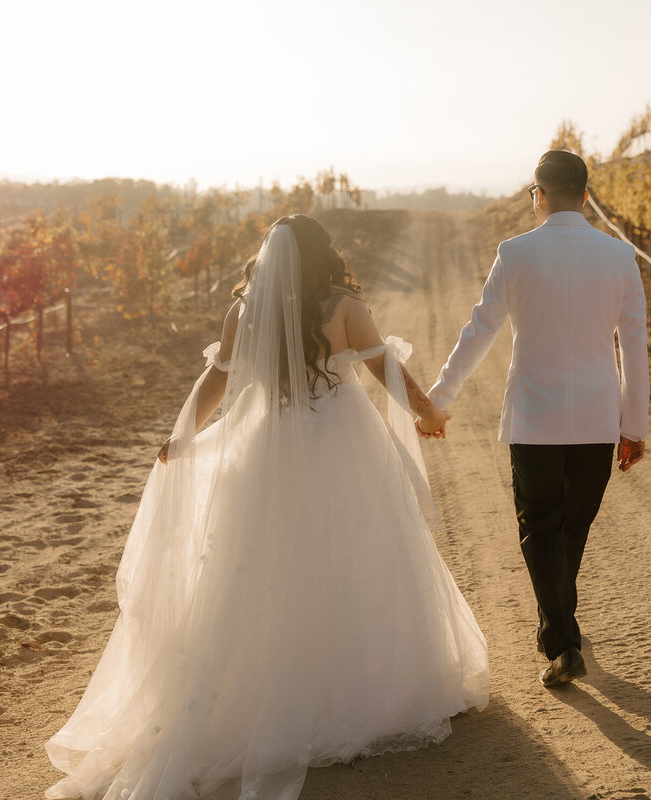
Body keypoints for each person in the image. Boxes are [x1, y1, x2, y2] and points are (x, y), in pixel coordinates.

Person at [44, 215, 489, 800]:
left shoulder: (244, 312)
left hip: (266, 445)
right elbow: (387, 372)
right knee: (357, 554)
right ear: (321, 255)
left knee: (262, 570)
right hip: (338, 441)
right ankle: (354, 692)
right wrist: (429, 414)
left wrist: (182, 436)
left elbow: (216, 383)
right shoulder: (343, 306)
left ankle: (266, 694)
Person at [427, 151, 649, 689]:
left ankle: (561, 636)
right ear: (588, 195)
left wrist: (440, 398)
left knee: (540, 528)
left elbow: (480, 331)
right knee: (571, 526)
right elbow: (635, 347)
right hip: (597, 419)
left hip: (533, 418)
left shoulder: (515, 253)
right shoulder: (620, 257)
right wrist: (634, 424)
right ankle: (561, 632)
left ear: (539, 195)